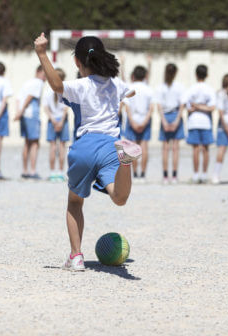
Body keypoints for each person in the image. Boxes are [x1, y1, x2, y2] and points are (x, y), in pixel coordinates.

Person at [34, 33, 141, 271]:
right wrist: (120, 91)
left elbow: (56, 85)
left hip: (84, 147)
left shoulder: (79, 86)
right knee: (119, 198)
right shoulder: (116, 85)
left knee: (74, 202)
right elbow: (131, 92)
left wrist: (42, 54)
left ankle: (76, 257)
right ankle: (126, 162)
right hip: (111, 146)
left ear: (77, 63)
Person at [181, 64, 216, 184]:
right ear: (207, 75)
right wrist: (202, 107)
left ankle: (196, 174)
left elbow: (185, 104)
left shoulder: (191, 88)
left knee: (195, 149)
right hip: (206, 122)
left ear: (196, 75)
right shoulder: (209, 89)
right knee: (205, 149)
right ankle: (204, 174)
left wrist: (195, 107)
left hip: (194, 122)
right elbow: (212, 107)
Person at [14, 65, 46, 179]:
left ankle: (25, 170)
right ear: (38, 71)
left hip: (24, 115)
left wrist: (19, 112)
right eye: (44, 74)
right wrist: (21, 111)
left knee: (27, 142)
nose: (45, 77)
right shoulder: (38, 83)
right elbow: (29, 97)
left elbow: (18, 98)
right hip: (31, 115)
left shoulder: (27, 82)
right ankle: (32, 171)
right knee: (35, 143)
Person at [155, 63, 185, 184]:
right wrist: (177, 119)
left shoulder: (160, 87)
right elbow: (182, 105)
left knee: (166, 148)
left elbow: (159, 106)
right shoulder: (179, 87)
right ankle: (173, 176)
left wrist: (163, 121)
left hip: (167, 115)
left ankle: (166, 176)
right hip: (174, 114)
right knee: (174, 148)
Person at [124, 66, 153, 182]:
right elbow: (151, 108)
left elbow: (127, 107)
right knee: (144, 147)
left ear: (133, 76)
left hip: (133, 120)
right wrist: (145, 121)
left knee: (132, 148)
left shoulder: (130, 88)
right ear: (145, 76)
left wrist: (132, 122)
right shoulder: (149, 89)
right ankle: (143, 175)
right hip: (145, 120)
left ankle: (135, 174)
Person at [44, 68, 71, 182]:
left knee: (53, 146)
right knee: (62, 147)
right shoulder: (65, 90)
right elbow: (66, 109)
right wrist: (60, 122)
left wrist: (53, 120)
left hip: (52, 120)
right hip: (62, 120)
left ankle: (52, 172)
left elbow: (45, 108)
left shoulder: (48, 91)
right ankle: (60, 171)